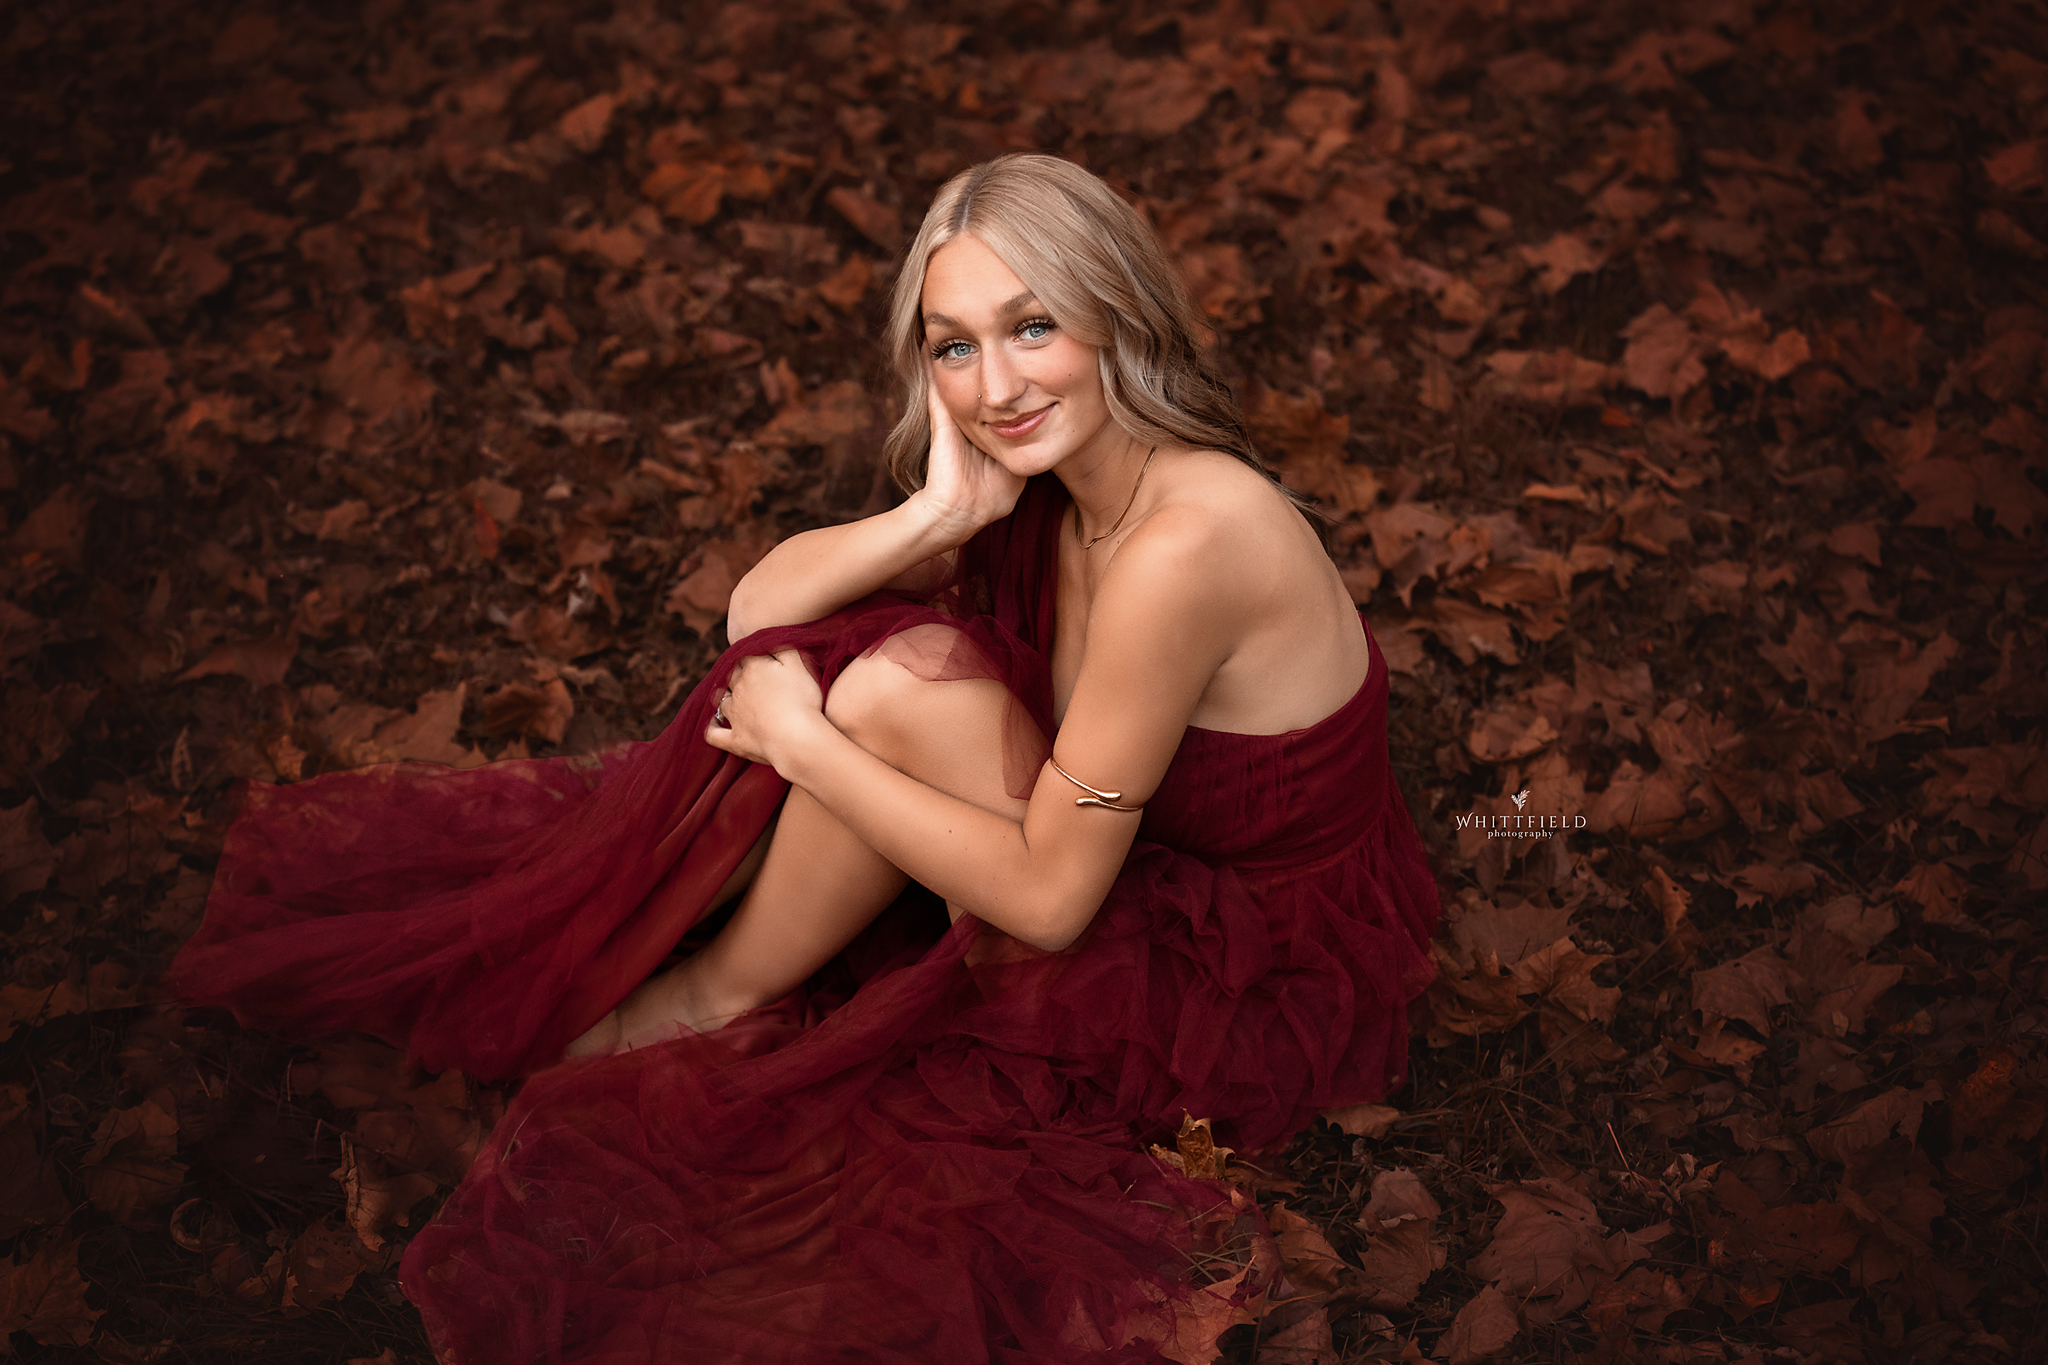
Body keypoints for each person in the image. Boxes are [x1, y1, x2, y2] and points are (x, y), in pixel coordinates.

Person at [171, 153, 1439, 1363]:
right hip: (1117, 852)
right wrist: (938, 514)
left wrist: (810, 750)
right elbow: (755, 618)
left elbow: (1052, 905)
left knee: (879, 691)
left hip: (1243, 968)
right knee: (879, 667)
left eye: (1033, 327)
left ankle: (708, 1001)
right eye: (955, 346)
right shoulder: (1050, 482)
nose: (996, 387)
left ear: (1118, 315)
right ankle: (707, 992)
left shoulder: (1183, 543)